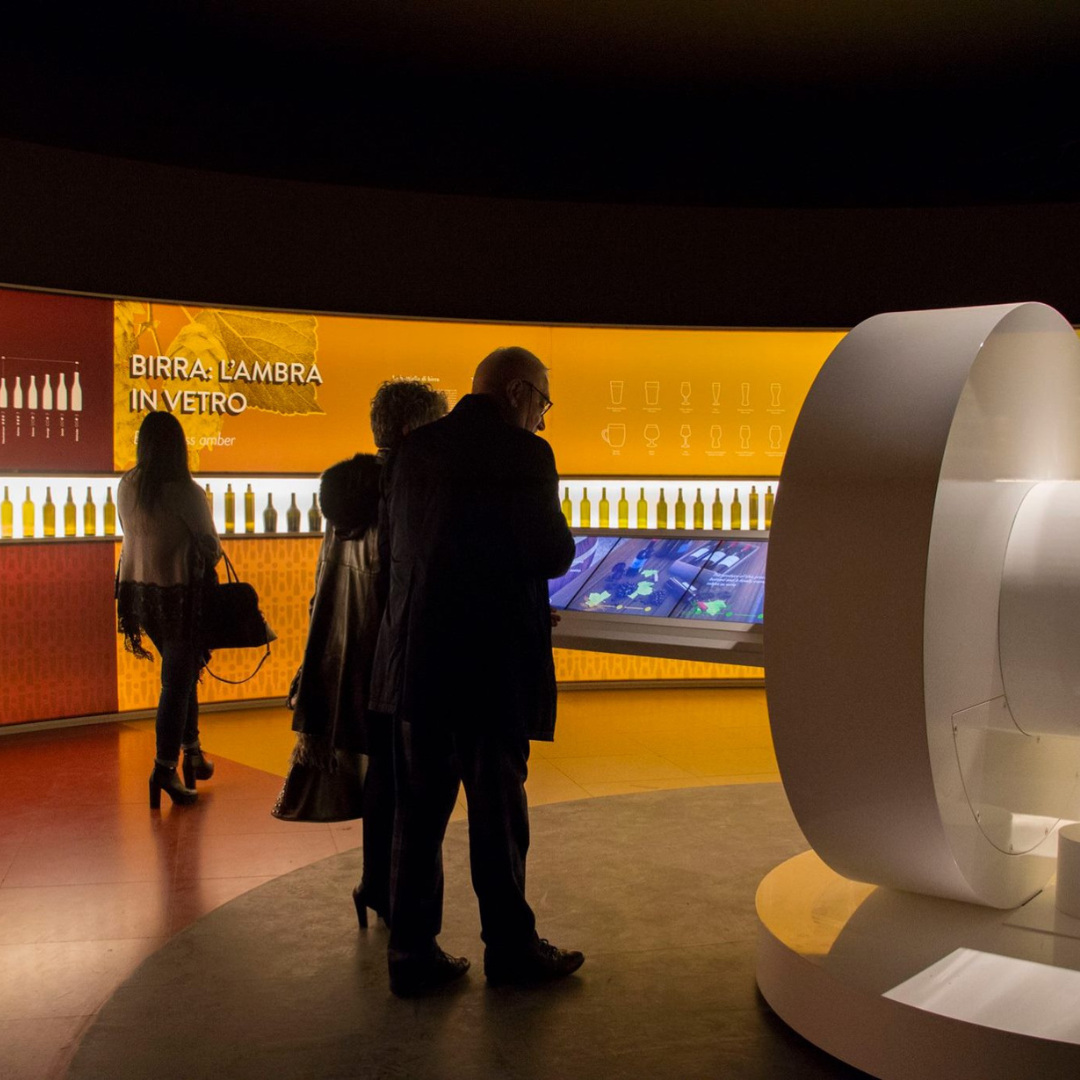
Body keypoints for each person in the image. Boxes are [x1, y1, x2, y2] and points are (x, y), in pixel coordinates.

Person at [370, 345, 584, 997]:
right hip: (489, 671)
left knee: (420, 815)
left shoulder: (414, 450)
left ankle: (410, 952)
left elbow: (398, 557)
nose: (543, 420)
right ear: (518, 391)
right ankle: (511, 949)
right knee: (497, 815)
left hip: (417, 667)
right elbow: (550, 552)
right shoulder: (525, 454)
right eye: (543, 402)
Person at [273, 380, 448, 930]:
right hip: (396, 661)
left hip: (346, 661)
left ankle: (376, 886)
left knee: (383, 781)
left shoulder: (350, 493)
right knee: (410, 790)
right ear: (413, 429)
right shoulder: (404, 491)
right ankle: (393, 899)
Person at [116, 410, 222, 809]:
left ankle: (193, 752)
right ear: (179, 447)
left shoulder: (127, 485)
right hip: (179, 599)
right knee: (175, 685)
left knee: (181, 672)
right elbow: (211, 548)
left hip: (140, 596)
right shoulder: (185, 492)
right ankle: (164, 769)